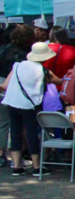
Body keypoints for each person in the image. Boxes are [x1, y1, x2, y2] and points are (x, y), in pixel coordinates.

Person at [0, 42, 60, 176]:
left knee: (15, 133)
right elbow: (58, 81)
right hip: (29, 105)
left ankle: (16, 167)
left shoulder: (17, 66)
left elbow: (4, 85)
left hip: (12, 102)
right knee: (31, 134)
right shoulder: (43, 70)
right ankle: (37, 166)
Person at [0, 25, 35, 168]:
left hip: (2, 83)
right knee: (18, 124)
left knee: (4, 123)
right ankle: (20, 157)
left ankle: (2, 155)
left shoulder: (4, 49)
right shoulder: (25, 54)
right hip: (14, 87)